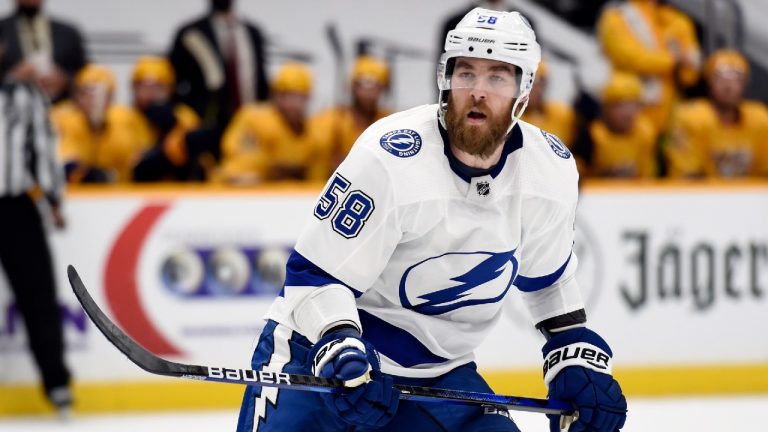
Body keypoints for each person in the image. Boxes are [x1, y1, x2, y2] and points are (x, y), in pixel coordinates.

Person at [236, 8, 626, 432]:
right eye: (466, 73)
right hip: (318, 356)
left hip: (439, 375)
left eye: (497, 77)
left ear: (524, 89)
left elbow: (548, 280)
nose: (477, 91)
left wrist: (570, 346)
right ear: (446, 78)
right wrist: (340, 346)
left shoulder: (548, 170)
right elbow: (313, 276)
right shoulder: (389, 159)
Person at [0, 56, 71, 412]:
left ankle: (57, 385)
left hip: (15, 207)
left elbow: (42, 148)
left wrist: (53, 199)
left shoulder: (25, 95)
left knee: (38, 298)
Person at [597, 0, 701, 133]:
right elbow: (630, 58)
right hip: (629, 111)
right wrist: (674, 61)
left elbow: (690, 74)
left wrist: (683, 64)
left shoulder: (679, 21)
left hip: (668, 117)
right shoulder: (618, 14)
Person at [217, 62, 327, 184]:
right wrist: (271, 168)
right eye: (286, 95)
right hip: (240, 194)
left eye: (298, 96)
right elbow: (237, 164)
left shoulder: (315, 133)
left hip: (290, 198)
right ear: (275, 95)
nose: (292, 103)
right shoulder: (254, 118)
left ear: (308, 98)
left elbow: (317, 182)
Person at [665, 50, 768, 178]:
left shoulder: (760, 119)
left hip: (749, 196)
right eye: (720, 78)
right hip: (703, 196)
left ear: (745, 83)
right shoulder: (690, 117)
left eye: (736, 78)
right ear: (708, 82)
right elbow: (686, 176)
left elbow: (765, 173)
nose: (728, 86)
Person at [168, 0, 268, 130]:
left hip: (250, 128)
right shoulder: (191, 33)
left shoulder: (252, 33)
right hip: (205, 128)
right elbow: (173, 84)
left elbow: (260, 84)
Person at [51, 64, 139, 183]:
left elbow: (133, 161)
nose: (93, 101)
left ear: (111, 98)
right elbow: (63, 161)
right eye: (86, 94)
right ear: (77, 96)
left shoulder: (125, 119)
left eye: (101, 95)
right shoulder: (60, 117)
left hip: (119, 194)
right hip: (74, 193)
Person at [127, 56, 203, 182]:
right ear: (134, 88)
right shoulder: (122, 118)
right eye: (144, 87)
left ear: (170, 89)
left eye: (158, 87)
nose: (151, 94)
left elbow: (199, 166)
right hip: (133, 192)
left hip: (180, 191)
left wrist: (173, 128)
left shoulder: (184, 117)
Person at [313, 55, 393, 174]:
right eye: (362, 85)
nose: (368, 93)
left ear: (383, 89)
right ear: (352, 86)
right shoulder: (330, 119)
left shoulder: (389, 123)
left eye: (375, 86)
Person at [574, 72, 658, 178]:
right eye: (620, 106)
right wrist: (605, 175)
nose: (629, 113)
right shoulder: (591, 136)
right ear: (605, 109)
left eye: (634, 105)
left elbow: (651, 176)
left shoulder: (646, 132)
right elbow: (577, 176)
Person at [0, 0, 87, 102]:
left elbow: (85, 74)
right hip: (10, 110)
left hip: (60, 109)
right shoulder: (2, 30)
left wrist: (65, 79)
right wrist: (12, 77)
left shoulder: (67, 33)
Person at [520, 61, 577, 147]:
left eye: (539, 82)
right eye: (529, 82)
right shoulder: (510, 119)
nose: (534, 88)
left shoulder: (562, 113)